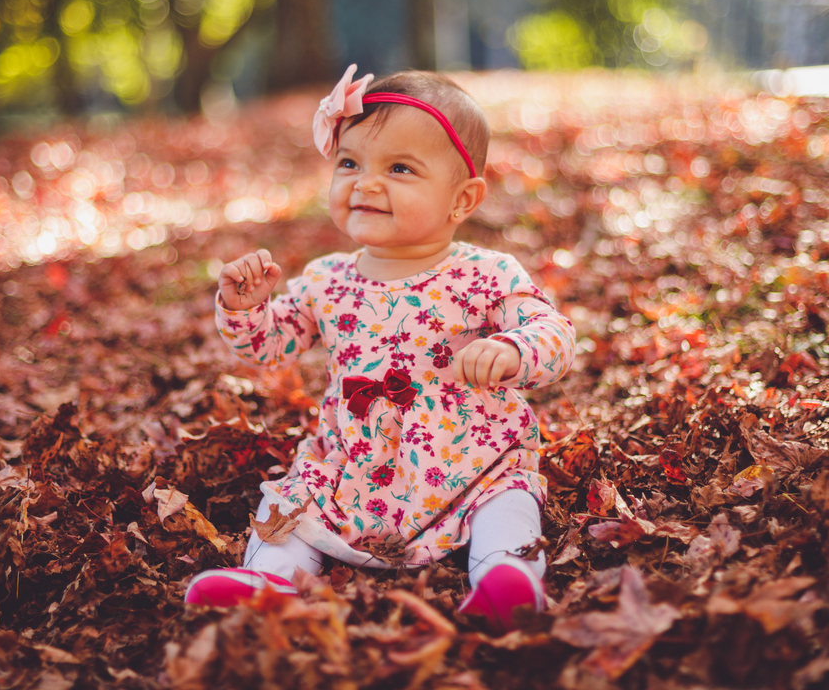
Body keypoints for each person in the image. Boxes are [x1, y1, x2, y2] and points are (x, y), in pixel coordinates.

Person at [184, 65, 575, 632]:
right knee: (290, 502)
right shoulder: (327, 278)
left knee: (509, 500)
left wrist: (514, 350)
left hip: (469, 459)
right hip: (356, 464)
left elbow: (554, 333)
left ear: (461, 199)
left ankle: (503, 577)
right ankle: (268, 580)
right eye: (349, 163)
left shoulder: (484, 274)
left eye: (399, 168)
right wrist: (248, 308)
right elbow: (270, 347)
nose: (365, 183)